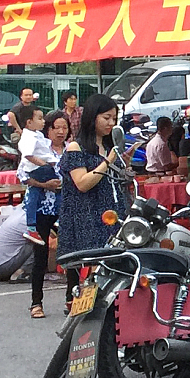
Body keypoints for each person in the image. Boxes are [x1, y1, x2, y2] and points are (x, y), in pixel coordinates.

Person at [58, 94, 132, 260]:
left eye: (114, 119)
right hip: (87, 217)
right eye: (106, 118)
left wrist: (125, 167)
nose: (111, 123)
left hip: (111, 215)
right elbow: (82, 183)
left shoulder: (108, 147)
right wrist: (108, 161)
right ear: (92, 117)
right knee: (90, 265)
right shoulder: (76, 147)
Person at [24, 111, 69, 319]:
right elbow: (23, 176)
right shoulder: (39, 148)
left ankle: (71, 299)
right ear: (47, 129)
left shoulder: (72, 150)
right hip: (42, 208)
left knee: (70, 254)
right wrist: (45, 185)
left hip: (66, 209)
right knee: (40, 257)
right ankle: (36, 302)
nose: (60, 132)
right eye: (56, 127)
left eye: (64, 127)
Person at [0, 202, 34, 282]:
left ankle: (8, 273)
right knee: (40, 244)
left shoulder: (20, 211)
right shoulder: (27, 220)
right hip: (4, 265)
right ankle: (22, 273)